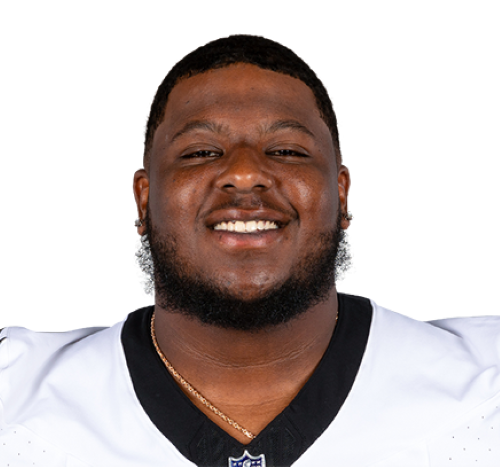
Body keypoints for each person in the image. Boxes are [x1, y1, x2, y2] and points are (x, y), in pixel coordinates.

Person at [0, 34, 498, 467]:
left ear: (341, 194)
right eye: (200, 152)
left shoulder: (488, 381)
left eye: (286, 151)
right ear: (144, 200)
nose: (243, 174)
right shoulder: (13, 391)